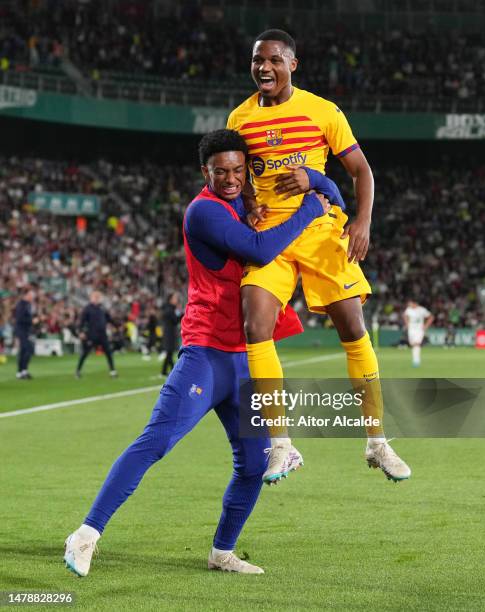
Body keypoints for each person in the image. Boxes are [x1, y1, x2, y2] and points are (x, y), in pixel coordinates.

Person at [64, 129, 333, 577]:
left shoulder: (240, 202)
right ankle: (86, 534)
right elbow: (260, 250)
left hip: (246, 356)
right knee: (156, 442)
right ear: (204, 172)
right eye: (221, 171)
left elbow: (332, 188)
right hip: (206, 354)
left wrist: (313, 189)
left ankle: (222, 552)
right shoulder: (204, 211)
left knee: (253, 462)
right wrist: (310, 207)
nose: (230, 178)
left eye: (237, 170)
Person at [227, 29, 411, 482]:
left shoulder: (322, 111)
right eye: (257, 61)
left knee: (352, 326)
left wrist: (363, 221)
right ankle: (282, 445)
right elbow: (239, 177)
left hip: (322, 230)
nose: (263, 68)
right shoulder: (240, 118)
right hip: (270, 238)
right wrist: (248, 205)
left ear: (293, 64)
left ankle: (377, 442)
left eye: (273, 60)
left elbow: (361, 169)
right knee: (255, 326)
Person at [75, 291, 118, 378]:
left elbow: (108, 318)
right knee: (85, 353)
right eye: (96, 297)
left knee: (108, 352)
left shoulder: (102, 308)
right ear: (92, 298)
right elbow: (82, 321)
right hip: (91, 334)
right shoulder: (87, 309)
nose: (98, 299)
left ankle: (112, 371)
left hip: (102, 334)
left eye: (99, 297)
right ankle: (78, 371)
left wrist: (116, 325)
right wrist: (81, 332)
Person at [14, 287, 37, 380]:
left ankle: (22, 371)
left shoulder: (28, 305)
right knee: (27, 349)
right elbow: (20, 319)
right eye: (31, 295)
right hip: (21, 330)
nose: (33, 297)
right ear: (27, 295)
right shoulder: (21, 305)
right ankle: (22, 371)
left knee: (24, 351)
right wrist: (32, 321)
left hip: (26, 330)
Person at [403, 300, 434, 367]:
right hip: (411, 330)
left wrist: (426, 326)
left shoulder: (422, 310)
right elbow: (404, 316)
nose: (409, 304)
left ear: (414, 303)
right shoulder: (408, 310)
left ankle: (416, 361)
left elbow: (431, 317)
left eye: (410, 303)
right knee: (413, 344)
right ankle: (415, 360)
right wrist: (407, 324)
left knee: (417, 344)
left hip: (419, 330)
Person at [160, 293, 182, 375]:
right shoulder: (169, 309)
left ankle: (164, 371)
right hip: (169, 334)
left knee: (169, 353)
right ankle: (172, 371)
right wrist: (181, 313)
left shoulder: (169, 308)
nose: (176, 300)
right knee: (169, 352)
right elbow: (175, 320)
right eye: (175, 298)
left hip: (169, 333)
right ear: (171, 300)